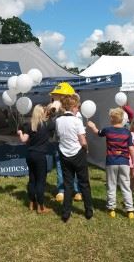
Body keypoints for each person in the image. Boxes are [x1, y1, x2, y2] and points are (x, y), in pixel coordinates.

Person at [87, 107, 134, 219]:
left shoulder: (107, 130)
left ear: (112, 119)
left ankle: (111, 208)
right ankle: (130, 210)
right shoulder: (127, 132)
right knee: (126, 186)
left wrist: (92, 126)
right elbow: (132, 149)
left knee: (111, 185)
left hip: (111, 162)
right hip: (124, 162)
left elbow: (97, 132)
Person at [56, 94, 93, 222]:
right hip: (78, 153)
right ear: (72, 107)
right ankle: (88, 210)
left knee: (68, 184)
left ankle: (66, 213)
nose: (78, 109)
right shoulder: (77, 121)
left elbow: (59, 137)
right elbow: (82, 141)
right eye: (77, 106)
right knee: (84, 183)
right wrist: (86, 149)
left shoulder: (58, 120)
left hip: (64, 153)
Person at [17, 104, 54, 214]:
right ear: (42, 113)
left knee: (32, 180)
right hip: (40, 156)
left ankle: (32, 203)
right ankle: (41, 207)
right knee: (40, 182)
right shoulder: (47, 125)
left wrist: (20, 133)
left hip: (30, 154)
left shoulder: (29, 125)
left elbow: (23, 140)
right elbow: (52, 116)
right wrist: (50, 110)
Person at [48, 82, 82, 202]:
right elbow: (51, 127)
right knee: (59, 166)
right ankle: (61, 190)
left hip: (74, 145)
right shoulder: (55, 113)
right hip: (60, 144)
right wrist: (53, 113)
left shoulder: (76, 114)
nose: (55, 100)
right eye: (54, 97)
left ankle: (77, 190)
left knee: (75, 168)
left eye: (58, 97)